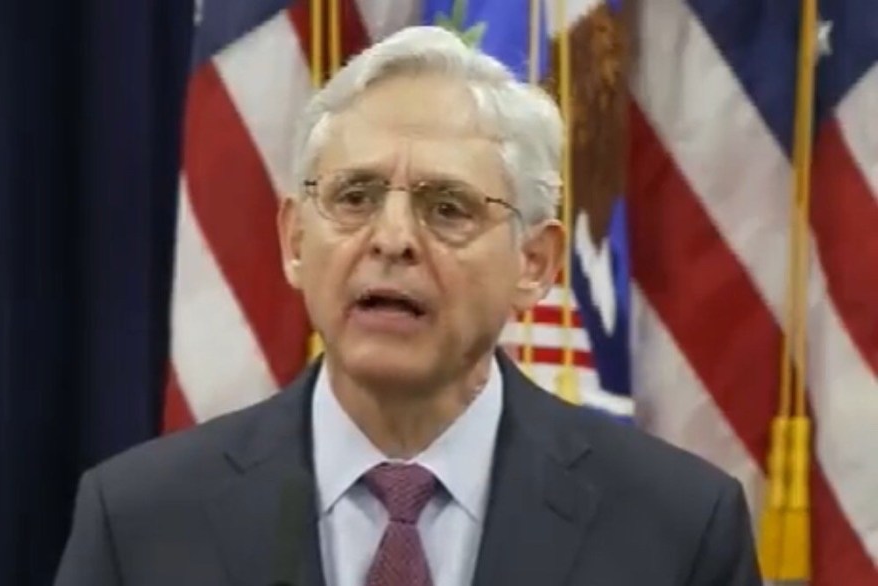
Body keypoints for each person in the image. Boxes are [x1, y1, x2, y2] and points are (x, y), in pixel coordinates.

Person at [53, 25, 762, 586]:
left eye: (447, 207)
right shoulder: (141, 523)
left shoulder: (678, 529)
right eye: (354, 197)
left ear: (534, 263)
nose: (391, 239)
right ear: (295, 240)